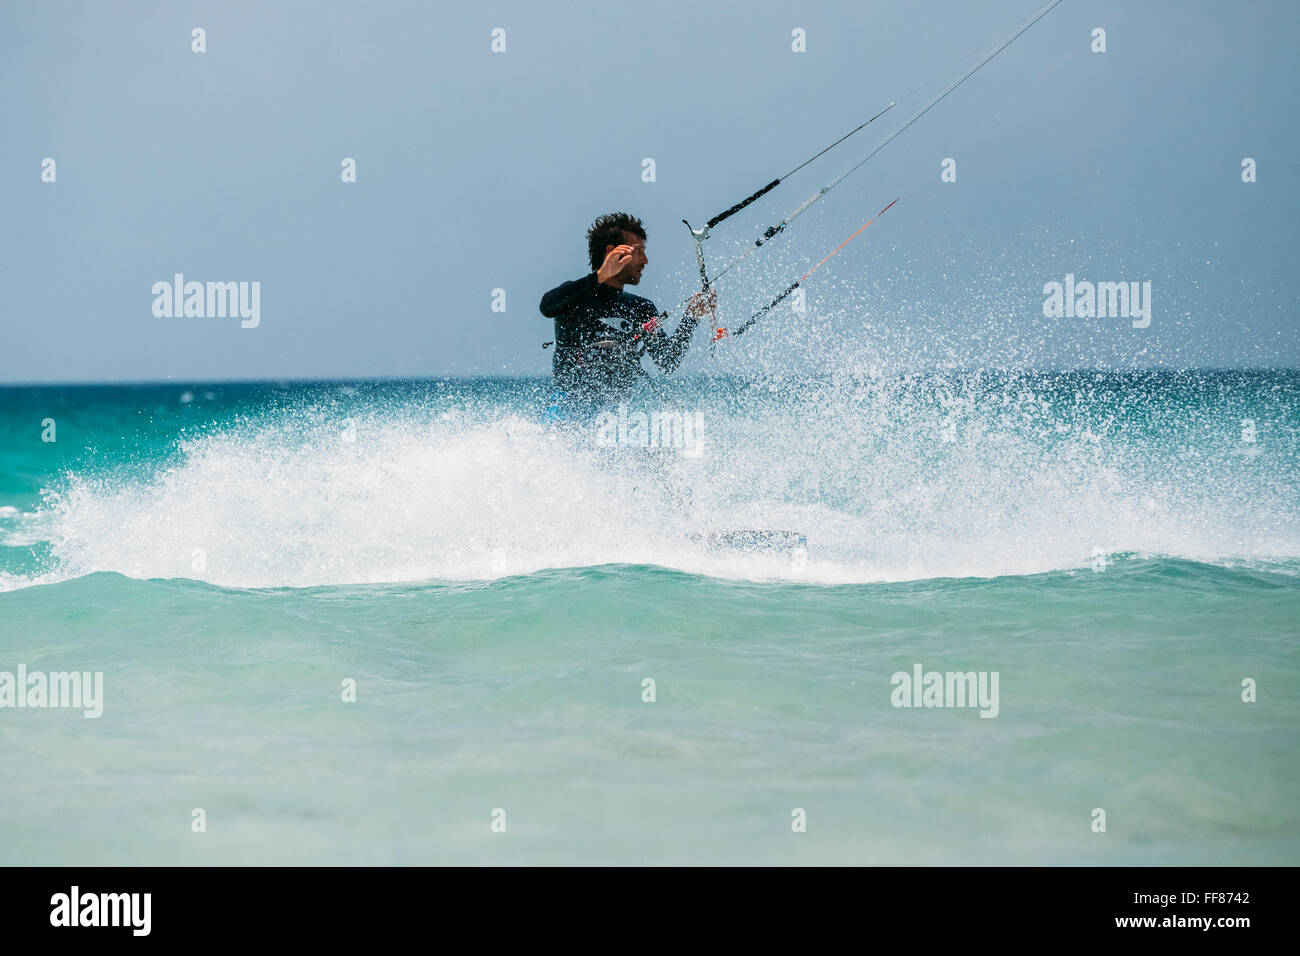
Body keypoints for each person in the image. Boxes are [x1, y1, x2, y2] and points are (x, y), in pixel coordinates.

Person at [539, 212, 715, 411]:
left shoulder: (641, 308)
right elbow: (546, 306)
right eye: (638, 251)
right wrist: (598, 277)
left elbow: (668, 361)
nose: (646, 260)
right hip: (565, 411)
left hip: (613, 419)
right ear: (613, 253)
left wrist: (691, 318)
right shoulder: (577, 295)